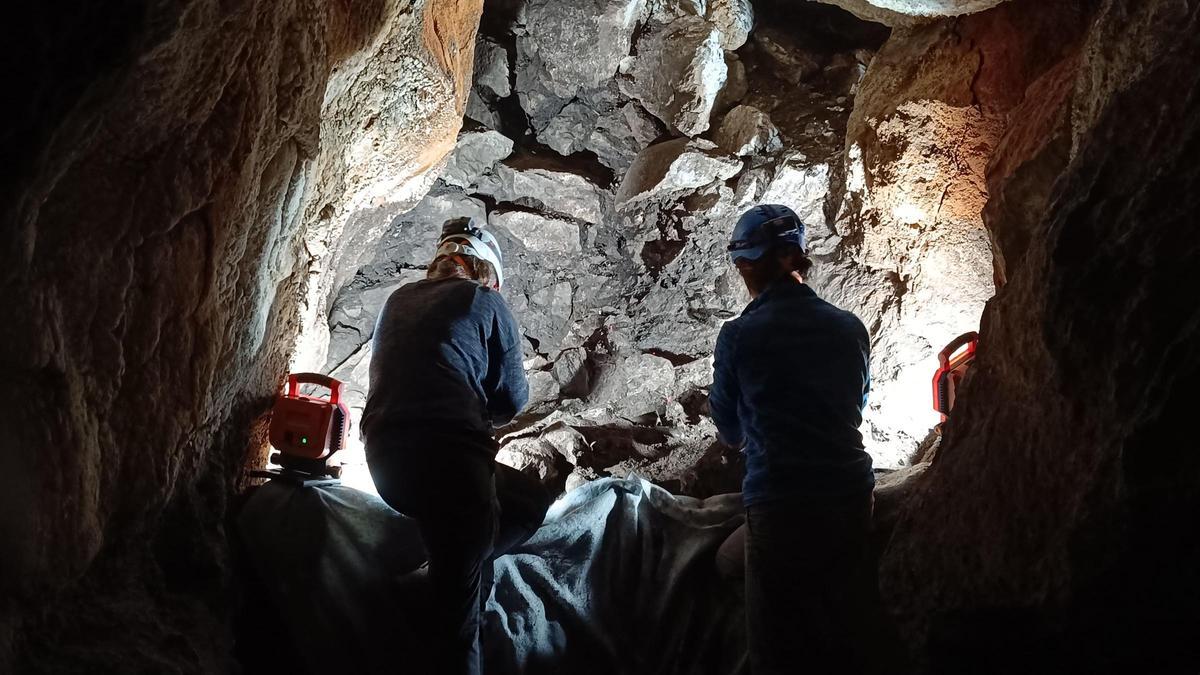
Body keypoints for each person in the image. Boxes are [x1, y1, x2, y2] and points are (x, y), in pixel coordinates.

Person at [362, 217, 550, 675]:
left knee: (523, 498)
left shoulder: (397, 299)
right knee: (458, 621)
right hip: (450, 463)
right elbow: (512, 399)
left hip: (384, 464)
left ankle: (443, 565)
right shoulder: (485, 300)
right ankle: (443, 581)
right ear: (486, 272)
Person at [709, 204, 880, 674]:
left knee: (774, 650)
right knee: (843, 632)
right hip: (850, 497)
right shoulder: (850, 328)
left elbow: (729, 430)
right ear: (797, 257)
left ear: (747, 264)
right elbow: (855, 407)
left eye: (742, 262)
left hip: (781, 506)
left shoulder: (740, 335)